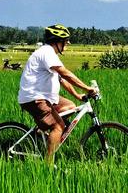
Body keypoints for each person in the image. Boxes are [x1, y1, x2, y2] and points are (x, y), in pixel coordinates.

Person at [17, 24, 97, 165]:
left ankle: (42, 133)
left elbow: (60, 79)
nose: (66, 44)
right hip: (35, 98)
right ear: (57, 41)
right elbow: (65, 74)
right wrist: (87, 88)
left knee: (70, 106)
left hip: (44, 96)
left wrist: (78, 96)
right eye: (65, 41)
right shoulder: (47, 52)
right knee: (58, 126)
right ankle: (48, 166)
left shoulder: (50, 54)